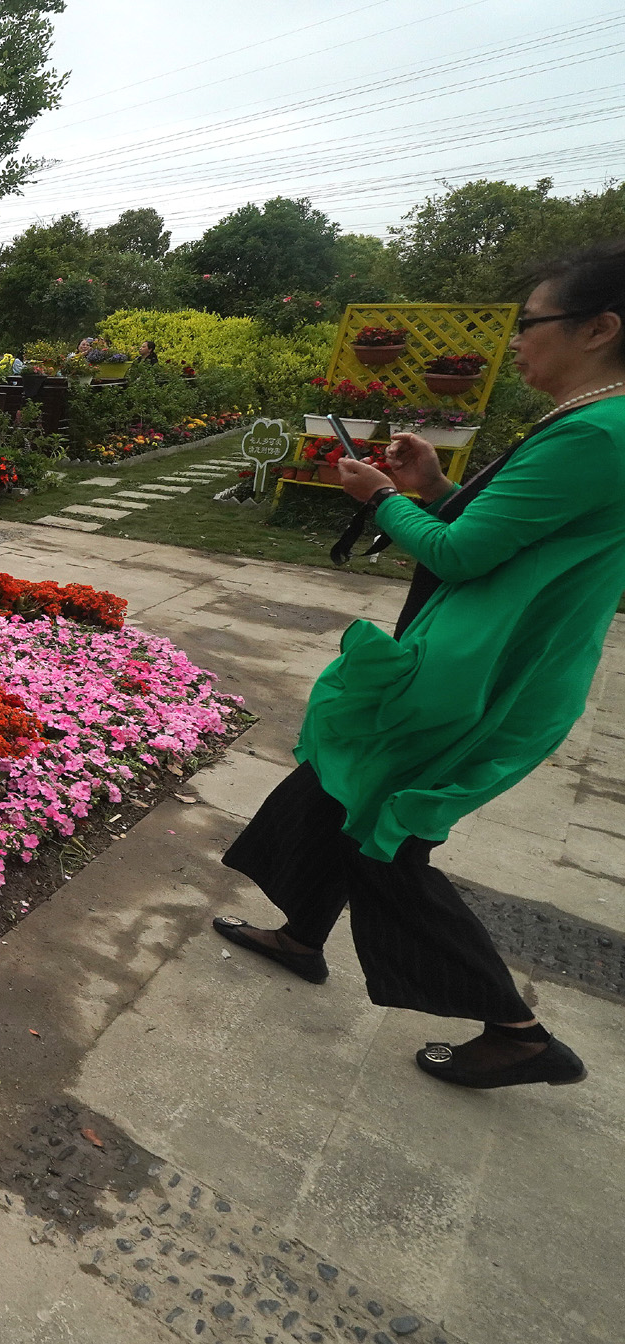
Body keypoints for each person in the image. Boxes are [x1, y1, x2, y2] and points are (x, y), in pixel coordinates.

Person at [217, 239, 625, 1090]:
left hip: (483, 664)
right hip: (482, 645)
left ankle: (515, 1030)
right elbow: (501, 536)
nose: (517, 341)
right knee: (334, 782)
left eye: (532, 323)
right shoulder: (598, 421)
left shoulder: (598, 430)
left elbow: (464, 556)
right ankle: (302, 933)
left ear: (600, 329)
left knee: (385, 833)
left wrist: (382, 500)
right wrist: (436, 490)